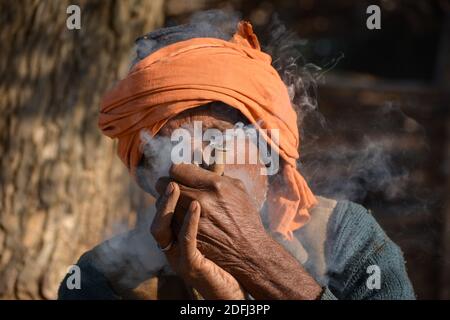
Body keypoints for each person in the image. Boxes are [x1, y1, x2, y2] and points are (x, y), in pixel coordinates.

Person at [58, 13, 415, 300]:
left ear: (267, 151)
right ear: (146, 177)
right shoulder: (102, 279)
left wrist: (257, 260)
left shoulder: (344, 237)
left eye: (215, 139)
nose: (195, 167)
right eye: (168, 152)